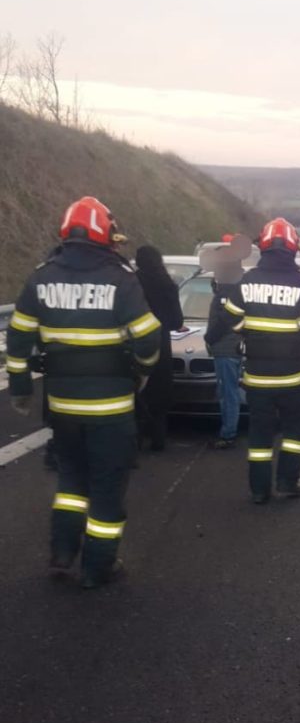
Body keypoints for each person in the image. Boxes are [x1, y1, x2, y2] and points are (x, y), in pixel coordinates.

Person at [6, 196, 160, 589]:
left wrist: (21, 389)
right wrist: (142, 370)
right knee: (107, 486)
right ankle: (98, 567)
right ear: (105, 234)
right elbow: (148, 336)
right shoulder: (120, 278)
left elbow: (18, 338)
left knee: (71, 481)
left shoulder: (42, 276)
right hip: (111, 409)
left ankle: (62, 552)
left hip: (63, 406)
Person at [210, 217, 300, 503]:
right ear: (292, 247)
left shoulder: (248, 280)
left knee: (260, 435)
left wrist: (248, 331)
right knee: (293, 433)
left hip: (257, 378)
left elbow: (229, 318)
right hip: (292, 377)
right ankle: (288, 482)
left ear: (262, 246)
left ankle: (259, 490)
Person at [203, 235, 252, 448]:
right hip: (233, 347)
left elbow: (223, 321)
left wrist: (209, 338)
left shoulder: (227, 292)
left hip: (226, 348)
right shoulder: (236, 289)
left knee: (228, 393)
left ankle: (228, 434)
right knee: (232, 391)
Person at [135, 245, 184, 451]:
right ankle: (158, 438)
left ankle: (135, 439)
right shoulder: (167, 284)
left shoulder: (132, 283)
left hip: (136, 342)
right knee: (160, 392)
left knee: (137, 391)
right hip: (161, 342)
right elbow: (176, 321)